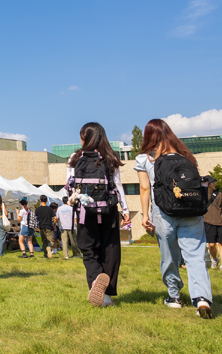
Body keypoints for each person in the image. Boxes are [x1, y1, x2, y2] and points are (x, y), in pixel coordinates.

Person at [136, 119, 213, 318]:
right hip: (191, 210)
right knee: (195, 255)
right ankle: (202, 298)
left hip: (164, 212)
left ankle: (174, 297)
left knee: (169, 255)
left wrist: (145, 215)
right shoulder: (186, 156)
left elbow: (145, 188)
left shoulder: (146, 158)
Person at [67, 122, 129, 308]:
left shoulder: (76, 157)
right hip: (108, 210)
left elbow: (69, 185)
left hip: (85, 211)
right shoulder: (110, 157)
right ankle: (107, 296)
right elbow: (118, 185)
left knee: (88, 248)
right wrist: (125, 210)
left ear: (84, 137)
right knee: (110, 251)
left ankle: (95, 280)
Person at [203, 177, 222, 272]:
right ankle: (215, 259)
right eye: (212, 182)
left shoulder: (219, 194)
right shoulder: (202, 194)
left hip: (220, 222)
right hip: (208, 222)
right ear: (206, 183)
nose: (214, 183)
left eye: (215, 181)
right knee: (211, 245)